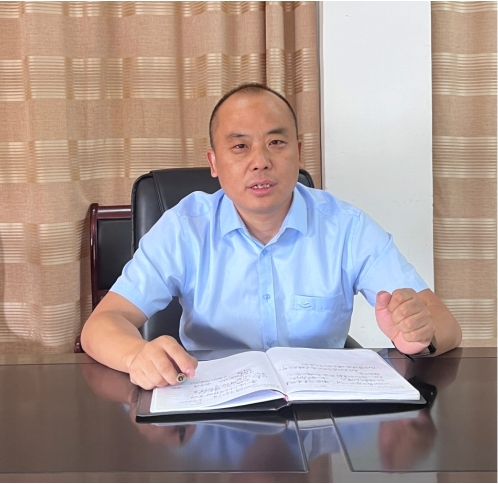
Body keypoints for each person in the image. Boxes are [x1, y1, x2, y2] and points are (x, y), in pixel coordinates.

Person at [81, 83, 462, 390]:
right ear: (214, 162)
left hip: (319, 416)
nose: (260, 161)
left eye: (276, 143)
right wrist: (137, 356)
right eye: (240, 146)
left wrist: (421, 335)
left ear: (298, 153)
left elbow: (445, 323)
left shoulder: (346, 227)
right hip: (214, 412)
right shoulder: (185, 228)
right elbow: (103, 324)